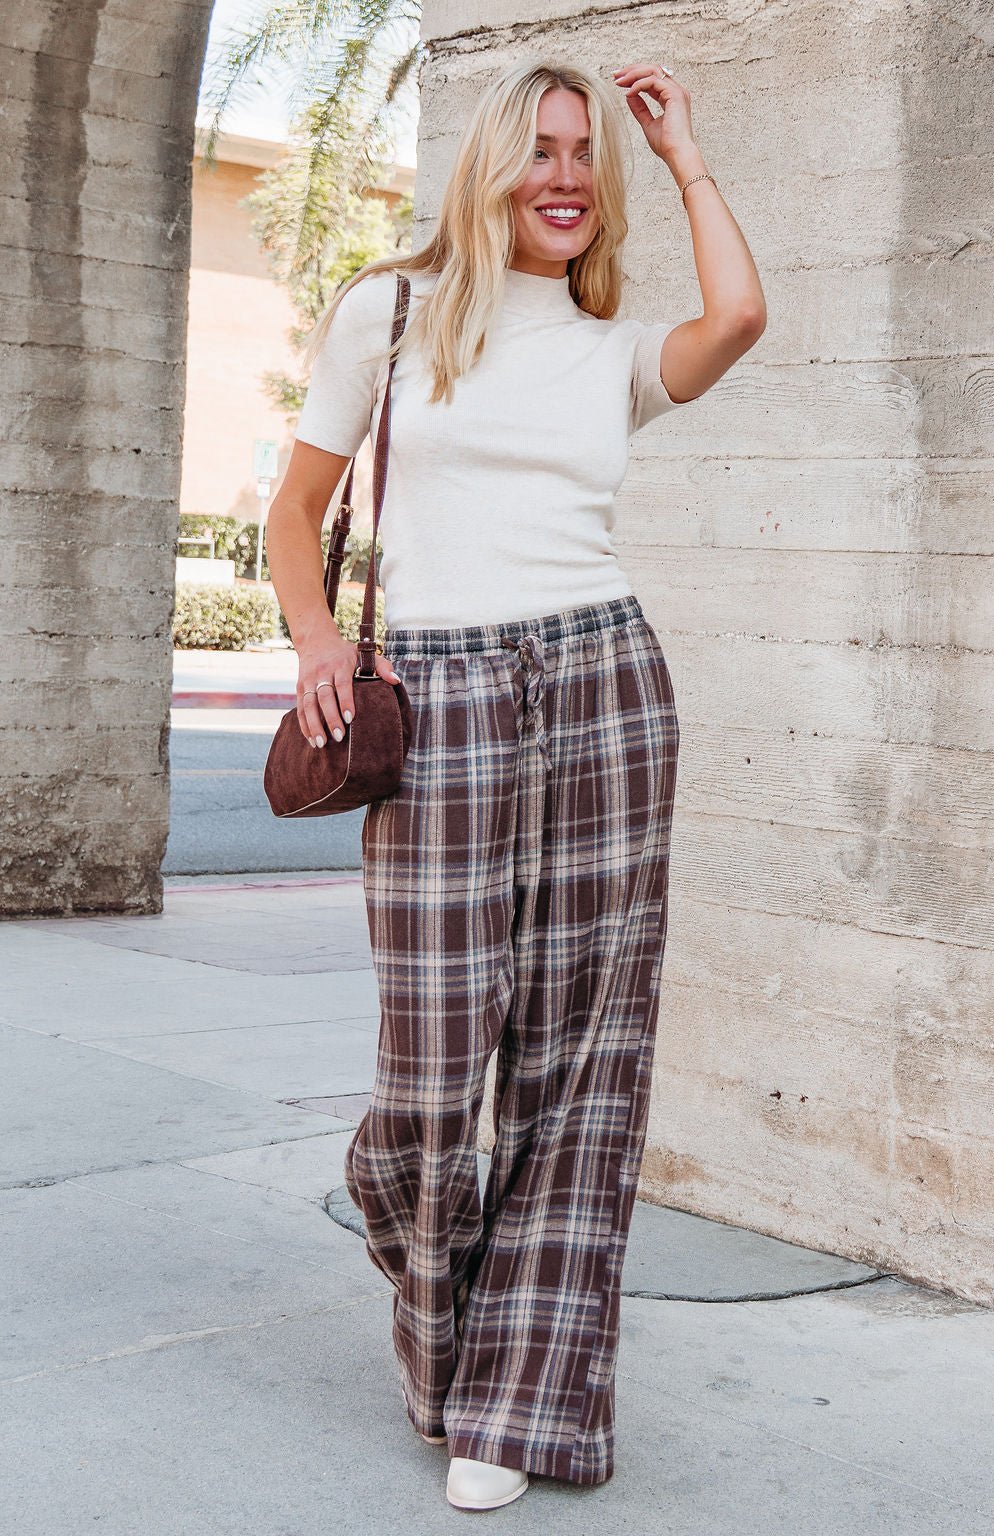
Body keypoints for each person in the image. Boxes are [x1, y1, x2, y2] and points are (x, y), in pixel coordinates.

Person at [266, 56, 766, 1513]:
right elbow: (295, 508)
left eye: (586, 155)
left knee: (579, 1059)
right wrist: (317, 643)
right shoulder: (390, 310)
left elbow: (739, 318)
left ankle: (517, 1402)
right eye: (542, 149)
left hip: (605, 682)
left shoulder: (609, 343)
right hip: (437, 693)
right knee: (430, 1077)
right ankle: (454, 1346)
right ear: (490, 163)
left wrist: (682, 156)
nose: (566, 176)